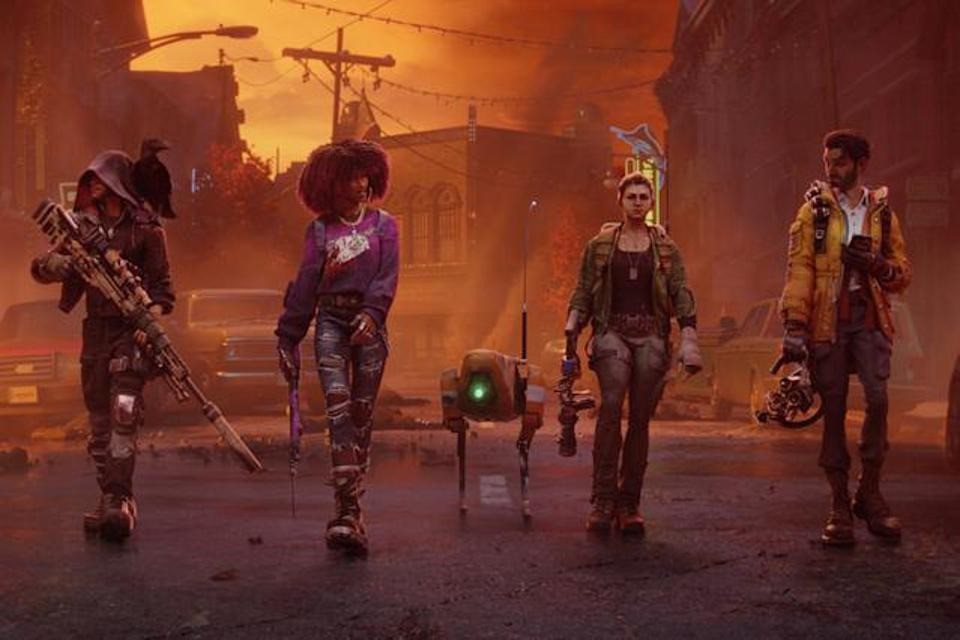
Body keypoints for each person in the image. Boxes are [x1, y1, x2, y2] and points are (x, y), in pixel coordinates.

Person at [30, 150, 174, 541]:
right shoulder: (80, 229)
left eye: (100, 177)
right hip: (95, 333)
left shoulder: (147, 230)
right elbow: (40, 268)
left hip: (130, 331)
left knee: (124, 412)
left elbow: (163, 290)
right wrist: (55, 266)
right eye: (89, 178)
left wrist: (149, 322)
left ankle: (118, 498)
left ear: (117, 182)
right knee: (99, 423)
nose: (92, 183)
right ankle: (107, 497)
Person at [780, 130, 911, 546]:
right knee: (833, 409)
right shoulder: (813, 212)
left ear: (860, 164)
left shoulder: (882, 213)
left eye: (839, 162)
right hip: (827, 320)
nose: (831, 169)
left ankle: (869, 493)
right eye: (828, 162)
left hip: (869, 318)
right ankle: (839, 505)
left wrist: (876, 264)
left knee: (878, 400)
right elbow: (800, 268)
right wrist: (794, 326)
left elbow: (902, 272)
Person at [275, 139, 398, 554]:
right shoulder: (320, 230)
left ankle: (354, 510)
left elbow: (387, 277)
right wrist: (287, 336)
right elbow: (306, 283)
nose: (360, 184)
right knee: (338, 406)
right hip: (330, 321)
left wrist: (373, 314)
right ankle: (345, 512)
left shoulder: (385, 226)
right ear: (330, 183)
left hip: (370, 326)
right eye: (350, 177)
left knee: (361, 415)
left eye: (364, 175)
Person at [565, 172, 702, 535]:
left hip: (651, 334)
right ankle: (602, 500)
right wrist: (572, 327)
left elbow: (681, 291)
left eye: (644, 197)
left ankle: (629, 503)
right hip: (612, 331)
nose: (638, 202)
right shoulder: (599, 246)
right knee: (611, 406)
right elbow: (583, 290)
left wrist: (689, 336)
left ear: (651, 202)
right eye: (632, 196)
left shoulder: (666, 248)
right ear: (621, 201)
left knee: (640, 418)